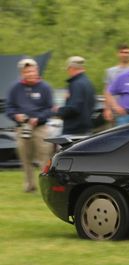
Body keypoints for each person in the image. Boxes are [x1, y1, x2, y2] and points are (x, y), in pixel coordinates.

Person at [5, 58, 54, 192]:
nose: (31, 73)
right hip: (22, 128)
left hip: (41, 128)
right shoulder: (15, 88)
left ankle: (46, 186)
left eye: (32, 70)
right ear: (22, 73)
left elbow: (50, 109)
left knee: (44, 157)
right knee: (25, 158)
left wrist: (38, 118)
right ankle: (29, 186)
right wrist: (16, 116)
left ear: (37, 71)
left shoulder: (45, 87)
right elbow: (9, 108)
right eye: (27, 71)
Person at [56, 56, 96, 135]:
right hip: (86, 128)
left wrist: (59, 111)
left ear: (71, 68)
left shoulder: (75, 84)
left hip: (74, 130)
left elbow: (74, 108)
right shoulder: (88, 83)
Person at [103, 43, 129, 123]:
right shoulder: (110, 71)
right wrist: (107, 109)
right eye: (124, 52)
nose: (126, 55)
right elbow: (107, 91)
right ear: (118, 54)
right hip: (115, 111)